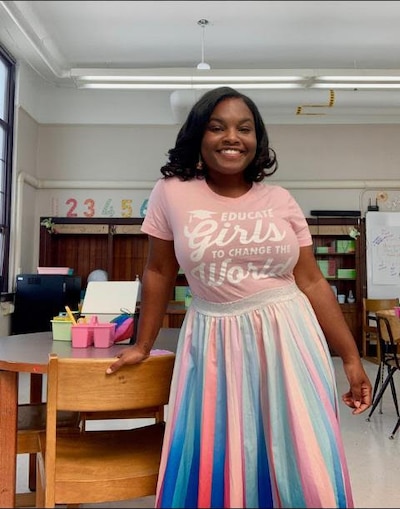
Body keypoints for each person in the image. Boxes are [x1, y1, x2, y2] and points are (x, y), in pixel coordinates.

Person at [107, 86, 372, 508]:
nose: (232, 137)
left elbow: (312, 281)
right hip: (214, 342)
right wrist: (143, 343)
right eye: (218, 127)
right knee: (220, 452)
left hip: (290, 338)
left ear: (257, 140)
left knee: (303, 453)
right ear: (198, 136)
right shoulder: (171, 192)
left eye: (244, 128)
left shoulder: (280, 199)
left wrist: (352, 357)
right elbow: (158, 271)